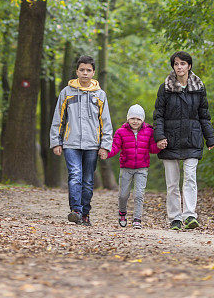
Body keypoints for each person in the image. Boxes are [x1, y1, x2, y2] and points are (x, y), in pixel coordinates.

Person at [153, 51, 214, 231]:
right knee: (172, 183)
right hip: (169, 140)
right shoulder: (164, 88)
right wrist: (160, 136)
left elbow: (204, 116)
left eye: (183, 63)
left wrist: (210, 137)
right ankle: (175, 218)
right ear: (173, 67)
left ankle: (189, 215)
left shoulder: (199, 88)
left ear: (189, 66)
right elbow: (158, 116)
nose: (179, 67)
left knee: (190, 178)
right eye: (176, 64)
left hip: (192, 138)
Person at [50, 54, 113, 226]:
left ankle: (85, 213)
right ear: (77, 71)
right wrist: (56, 142)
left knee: (87, 180)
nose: (85, 73)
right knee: (75, 175)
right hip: (71, 143)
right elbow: (59, 118)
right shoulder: (67, 93)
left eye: (88, 70)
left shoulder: (100, 95)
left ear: (93, 73)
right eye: (82, 70)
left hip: (92, 145)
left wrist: (105, 146)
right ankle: (75, 210)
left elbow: (105, 122)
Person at [107, 104, 160, 229]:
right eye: (132, 118)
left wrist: (159, 146)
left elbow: (152, 149)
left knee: (139, 194)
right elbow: (115, 147)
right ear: (128, 119)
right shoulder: (121, 132)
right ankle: (122, 213)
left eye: (138, 119)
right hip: (126, 167)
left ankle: (137, 219)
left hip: (142, 168)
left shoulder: (149, 131)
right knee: (123, 195)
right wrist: (106, 153)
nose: (135, 121)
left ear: (142, 120)